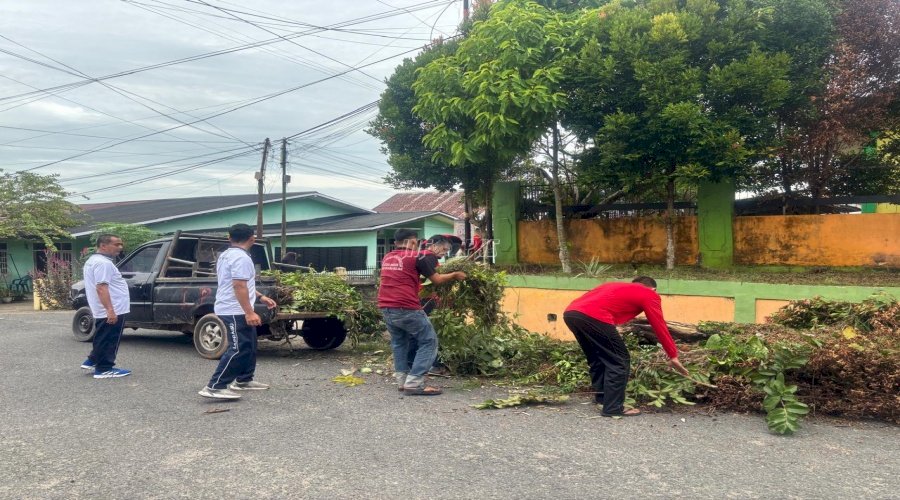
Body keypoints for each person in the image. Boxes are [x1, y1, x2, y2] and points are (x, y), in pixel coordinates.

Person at [563, 276, 690, 417]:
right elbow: (659, 325)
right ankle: (613, 408)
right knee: (619, 361)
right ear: (653, 289)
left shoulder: (614, 286)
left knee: (597, 356)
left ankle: (603, 398)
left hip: (571, 314)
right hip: (594, 316)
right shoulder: (649, 293)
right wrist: (673, 354)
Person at [378, 229, 466, 396]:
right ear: (412, 242)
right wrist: (455, 274)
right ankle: (415, 382)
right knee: (429, 341)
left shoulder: (388, 257)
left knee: (399, 343)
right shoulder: (417, 256)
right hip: (406, 306)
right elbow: (437, 280)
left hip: (386, 306)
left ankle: (402, 382)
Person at [199, 223, 277, 400]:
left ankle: (243, 380)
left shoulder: (227, 255)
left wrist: (260, 297)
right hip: (234, 309)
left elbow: (242, 283)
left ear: (229, 238)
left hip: (236, 307)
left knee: (250, 345)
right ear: (252, 239)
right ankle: (215, 386)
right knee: (238, 348)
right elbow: (238, 285)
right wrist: (249, 312)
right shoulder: (241, 258)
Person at [80, 234, 133, 379]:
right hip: (112, 307)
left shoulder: (93, 260)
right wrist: (110, 310)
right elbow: (101, 288)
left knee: (102, 335)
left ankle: (93, 359)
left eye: (120, 244)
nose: (120, 247)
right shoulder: (104, 263)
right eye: (116, 244)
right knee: (110, 338)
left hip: (105, 307)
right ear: (103, 245)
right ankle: (104, 368)